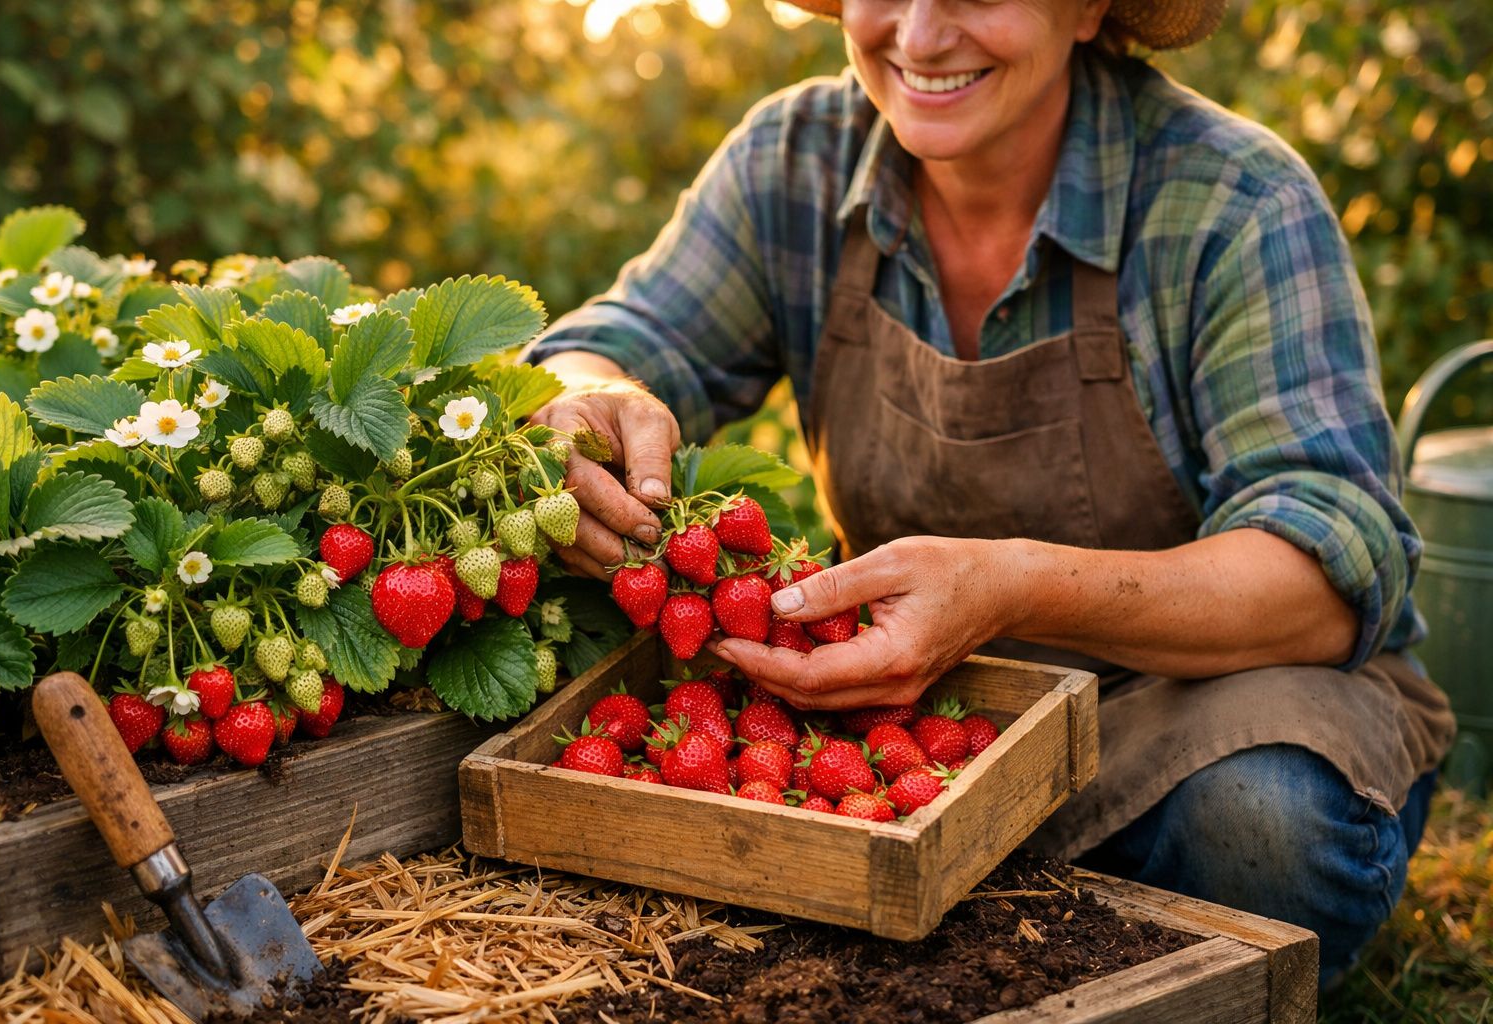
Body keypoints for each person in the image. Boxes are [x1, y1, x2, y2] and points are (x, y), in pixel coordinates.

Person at [523, 0, 1455, 985]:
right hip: (920, 723)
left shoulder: (1233, 199)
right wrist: (597, 395)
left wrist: (1007, 588)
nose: (921, 37)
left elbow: (1321, 574)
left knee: (1265, 820)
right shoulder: (795, 161)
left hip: (1188, 709)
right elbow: (625, 342)